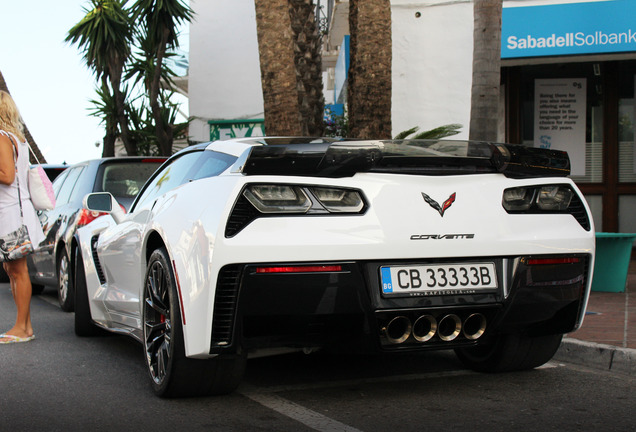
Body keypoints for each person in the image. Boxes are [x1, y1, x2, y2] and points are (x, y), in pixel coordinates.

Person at [0, 90, 45, 344]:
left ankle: (22, 327)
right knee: (12, 268)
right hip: (16, 211)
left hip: (12, 213)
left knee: (17, 270)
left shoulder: (2, 138)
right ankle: (24, 326)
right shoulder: (18, 139)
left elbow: (6, 176)